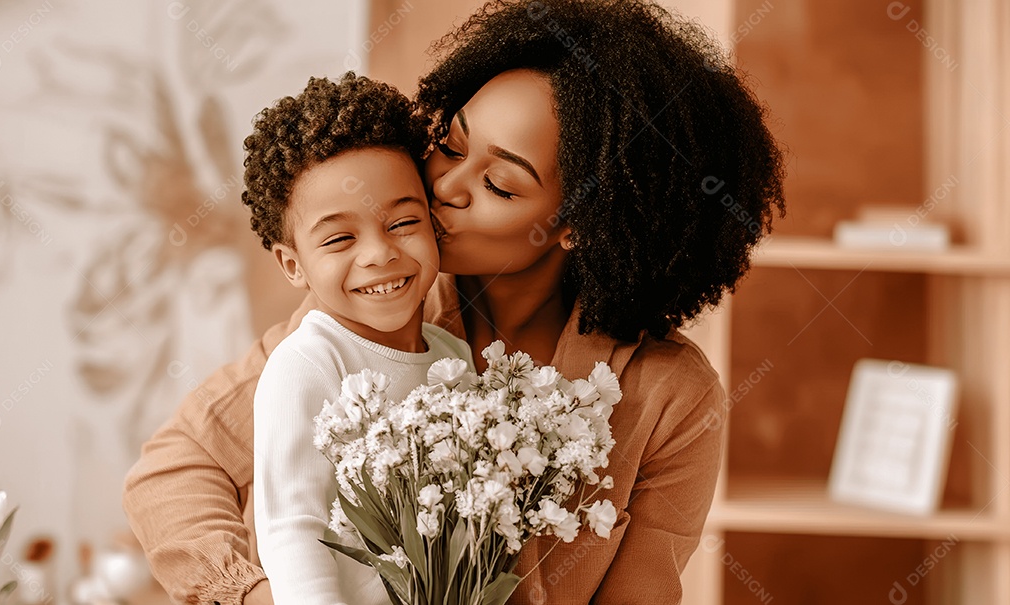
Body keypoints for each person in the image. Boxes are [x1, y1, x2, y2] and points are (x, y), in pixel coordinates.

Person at [122, 1, 786, 604]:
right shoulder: (379, 313)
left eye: (498, 182)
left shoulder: (670, 399)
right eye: (451, 144)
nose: (444, 187)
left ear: (580, 221)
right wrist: (254, 594)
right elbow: (174, 470)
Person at [243, 74, 474, 605]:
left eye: (402, 222)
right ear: (293, 265)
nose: (379, 253)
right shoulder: (306, 363)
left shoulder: (453, 358)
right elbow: (292, 530)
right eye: (341, 238)